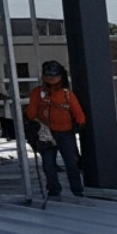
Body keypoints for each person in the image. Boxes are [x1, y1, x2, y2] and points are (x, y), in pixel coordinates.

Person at [25, 61, 86, 198]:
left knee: (69, 163)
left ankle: (74, 190)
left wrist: (80, 121)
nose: (51, 78)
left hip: (63, 132)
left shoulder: (66, 94)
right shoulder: (39, 93)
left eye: (54, 75)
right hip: (46, 133)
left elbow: (77, 110)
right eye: (49, 75)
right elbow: (31, 112)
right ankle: (58, 190)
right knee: (51, 164)